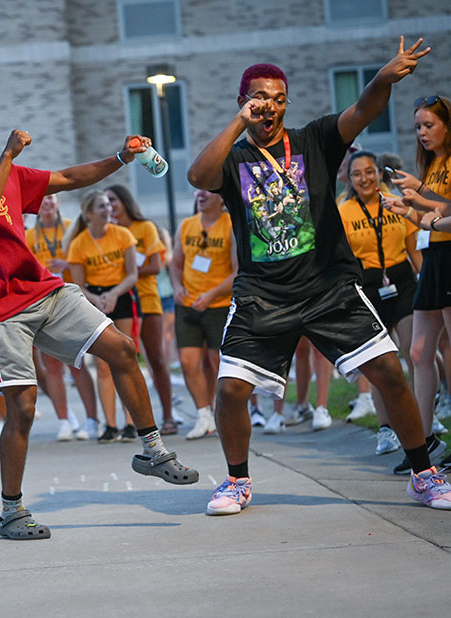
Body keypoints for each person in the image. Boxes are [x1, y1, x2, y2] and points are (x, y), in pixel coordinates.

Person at [187, 40, 450, 515]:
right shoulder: (232, 157)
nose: (269, 105)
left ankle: (423, 474)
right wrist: (239, 123)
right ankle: (236, 482)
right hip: (263, 294)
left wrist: (384, 78)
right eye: (259, 97)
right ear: (244, 100)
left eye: (278, 98)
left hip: (328, 285)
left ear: (287, 103)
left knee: (389, 369)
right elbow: (197, 176)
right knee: (230, 390)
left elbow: (363, 109)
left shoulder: (315, 139)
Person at [0, 96, 199, 540]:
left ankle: (153, 450)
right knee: (24, 410)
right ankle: (11, 511)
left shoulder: (9, 176)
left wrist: (122, 157)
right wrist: (8, 156)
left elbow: (69, 178)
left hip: (43, 290)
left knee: (123, 350)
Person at [384, 94, 451, 472]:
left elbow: (445, 211)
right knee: (419, 353)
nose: (422, 133)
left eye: (429, 125)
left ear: (447, 125)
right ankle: (423, 442)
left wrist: (421, 196)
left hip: (449, 254)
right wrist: (407, 208)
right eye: (418, 127)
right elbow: (432, 218)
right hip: (436, 258)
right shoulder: (434, 163)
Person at [338, 150, 420, 455]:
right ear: (350, 177)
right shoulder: (344, 211)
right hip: (368, 286)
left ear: (378, 173)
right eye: (357, 173)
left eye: (369, 172)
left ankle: (422, 418)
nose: (364, 178)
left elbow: (413, 245)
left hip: (402, 280)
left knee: (415, 351)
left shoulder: (395, 201)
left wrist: (427, 276)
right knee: (380, 362)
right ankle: (386, 429)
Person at [24, 193, 99, 441]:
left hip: (71, 298)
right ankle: (64, 420)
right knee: (52, 365)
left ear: (57, 203)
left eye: (51, 198)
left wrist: (65, 263)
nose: (46, 202)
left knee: (76, 361)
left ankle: (91, 420)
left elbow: (85, 258)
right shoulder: (30, 235)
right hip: (42, 302)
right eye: (42, 199)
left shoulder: (71, 228)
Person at [66, 191, 140, 443]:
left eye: (108, 204)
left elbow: (133, 274)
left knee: (126, 357)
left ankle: (131, 422)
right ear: (89, 214)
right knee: (102, 364)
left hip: (120, 294)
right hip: (94, 299)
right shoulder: (79, 243)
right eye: (101, 206)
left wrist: (114, 294)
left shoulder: (123, 235)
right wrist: (96, 299)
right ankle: (110, 425)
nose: (107, 209)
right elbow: (78, 286)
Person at [106, 184, 178, 435]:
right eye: (105, 202)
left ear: (125, 201)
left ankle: (169, 416)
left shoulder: (144, 228)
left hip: (147, 299)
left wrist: (127, 274)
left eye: (113, 200)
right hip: (119, 304)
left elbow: (156, 266)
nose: (109, 205)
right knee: (126, 361)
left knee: (156, 359)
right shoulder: (108, 232)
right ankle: (134, 421)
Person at [169, 189, 237, 439]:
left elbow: (238, 271)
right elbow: (176, 264)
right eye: (198, 189)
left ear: (221, 197)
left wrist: (210, 295)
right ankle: (203, 415)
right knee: (188, 362)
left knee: (217, 362)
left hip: (218, 305)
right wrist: (177, 287)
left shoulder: (230, 224)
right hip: (188, 304)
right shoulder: (186, 225)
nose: (200, 193)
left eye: (208, 189)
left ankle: (224, 414)